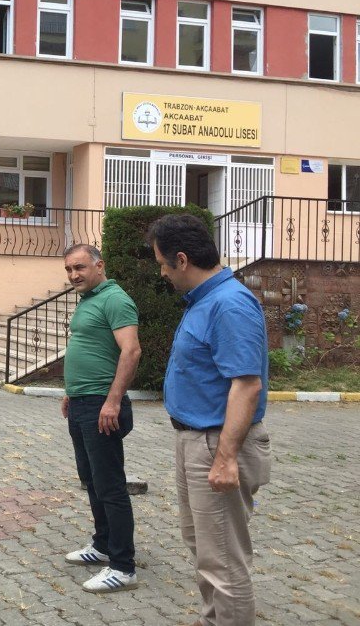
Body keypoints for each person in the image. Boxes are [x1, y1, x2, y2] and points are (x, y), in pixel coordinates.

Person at [148, 213, 271, 626]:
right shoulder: (205, 301)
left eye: (163, 264)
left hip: (217, 443)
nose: (162, 273)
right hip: (196, 440)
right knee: (204, 548)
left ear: (182, 260)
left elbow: (247, 386)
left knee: (222, 560)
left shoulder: (229, 304)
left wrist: (225, 458)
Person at [60, 244, 142, 594]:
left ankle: (123, 566)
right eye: (68, 269)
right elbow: (89, 348)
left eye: (79, 267)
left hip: (101, 406)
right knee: (91, 480)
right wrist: (70, 390)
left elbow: (131, 350)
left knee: (110, 485)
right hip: (81, 402)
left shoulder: (115, 299)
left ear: (99, 265)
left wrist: (112, 401)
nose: (74, 275)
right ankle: (103, 544)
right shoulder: (89, 299)